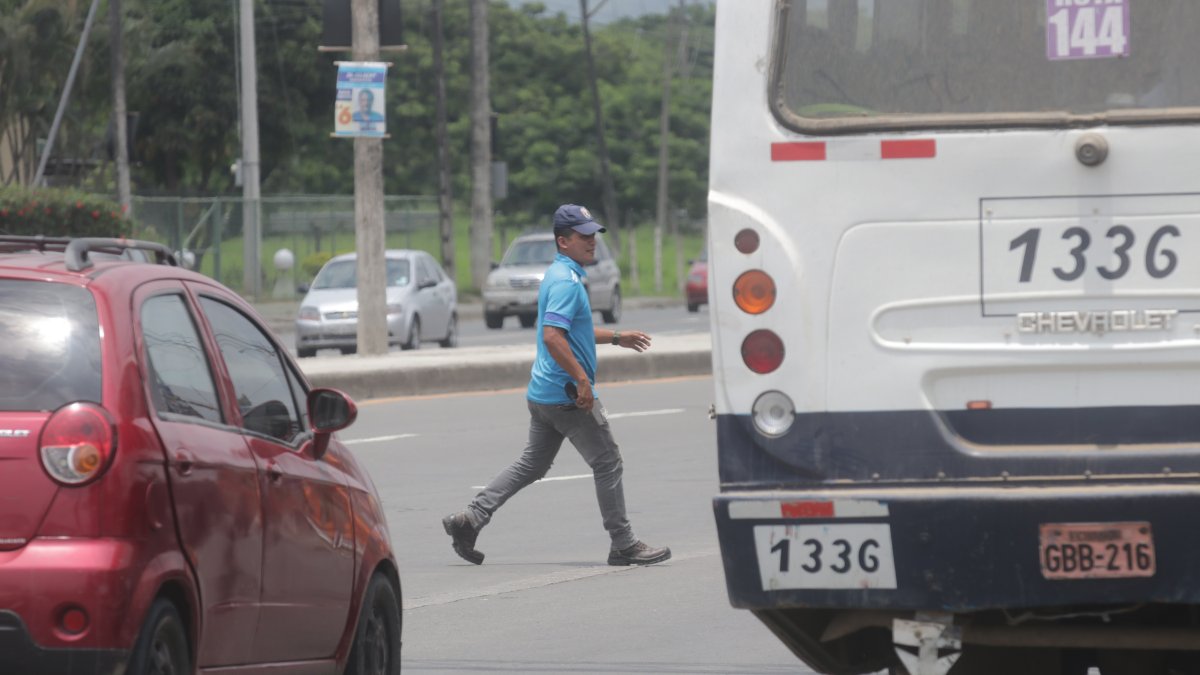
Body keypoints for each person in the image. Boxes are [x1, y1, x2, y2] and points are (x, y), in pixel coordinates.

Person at [443, 204, 671, 567]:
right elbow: (552, 337)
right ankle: (624, 543)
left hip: (543, 393)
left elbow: (570, 331)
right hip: (567, 395)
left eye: (593, 234)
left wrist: (615, 337)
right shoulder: (566, 281)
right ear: (563, 241)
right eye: (583, 236)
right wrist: (582, 379)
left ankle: (470, 518)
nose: (591, 241)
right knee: (608, 461)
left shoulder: (558, 274)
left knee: (532, 464)